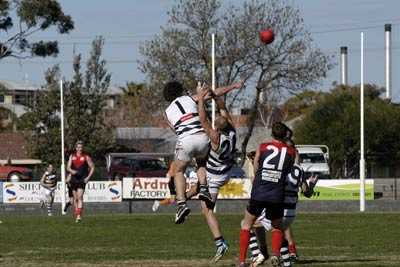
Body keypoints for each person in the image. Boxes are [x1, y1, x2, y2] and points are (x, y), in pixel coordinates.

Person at [163, 80, 243, 224]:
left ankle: (181, 204)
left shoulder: (166, 112)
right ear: (180, 90)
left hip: (186, 140)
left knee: (179, 170)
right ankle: (204, 187)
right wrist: (233, 86)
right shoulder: (190, 98)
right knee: (201, 162)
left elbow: (174, 129)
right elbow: (213, 93)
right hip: (202, 137)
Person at [238, 122, 296, 267]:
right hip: (277, 193)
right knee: (276, 226)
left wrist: (262, 176)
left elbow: (256, 164)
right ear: (285, 135)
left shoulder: (263, 147)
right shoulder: (290, 152)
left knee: (246, 225)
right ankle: (275, 254)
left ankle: (241, 261)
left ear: (272, 134)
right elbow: (288, 171)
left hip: (259, 191)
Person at [191, 86, 237, 262]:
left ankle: (220, 243)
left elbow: (203, 119)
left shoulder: (216, 138)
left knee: (207, 210)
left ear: (216, 129)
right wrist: (215, 96)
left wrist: (201, 99)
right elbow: (223, 109)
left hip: (215, 176)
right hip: (224, 172)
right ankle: (178, 199)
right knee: (196, 189)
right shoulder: (233, 132)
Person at [67, 140, 95, 223]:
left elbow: (93, 167)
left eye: (81, 147)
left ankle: (78, 215)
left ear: (82, 148)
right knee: (75, 198)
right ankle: (77, 214)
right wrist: (72, 171)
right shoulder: (72, 156)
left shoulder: (86, 157)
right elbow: (68, 167)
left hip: (82, 179)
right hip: (73, 179)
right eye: (78, 147)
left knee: (80, 197)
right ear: (76, 148)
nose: (79, 149)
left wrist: (88, 177)